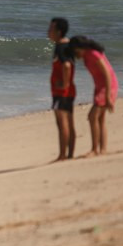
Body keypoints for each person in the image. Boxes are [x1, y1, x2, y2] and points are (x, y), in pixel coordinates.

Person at [68, 36, 119, 157]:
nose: (75, 54)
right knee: (100, 119)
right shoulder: (86, 56)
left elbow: (107, 73)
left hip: (107, 86)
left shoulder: (93, 54)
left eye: (75, 51)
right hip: (99, 88)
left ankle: (94, 150)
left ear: (80, 48)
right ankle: (102, 150)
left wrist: (107, 96)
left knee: (92, 116)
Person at [48, 17, 76, 161]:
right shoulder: (68, 45)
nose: (48, 32)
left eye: (51, 29)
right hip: (69, 90)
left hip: (62, 92)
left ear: (59, 32)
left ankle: (62, 155)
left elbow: (66, 66)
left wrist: (64, 84)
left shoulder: (60, 47)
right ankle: (69, 154)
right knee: (69, 122)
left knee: (62, 122)